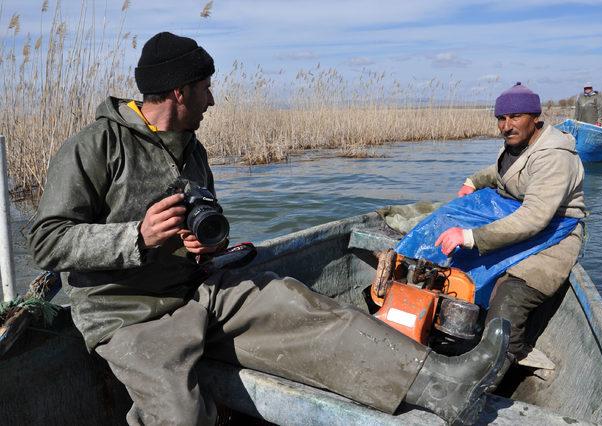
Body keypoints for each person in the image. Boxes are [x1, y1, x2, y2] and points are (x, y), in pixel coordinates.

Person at [28, 32, 509, 425]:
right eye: (206, 87)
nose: (212, 100)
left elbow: (212, 221)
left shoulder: (192, 149)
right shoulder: (95, 145)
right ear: (179, 90)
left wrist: (203, 242)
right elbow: (46, 240)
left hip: (196, 290)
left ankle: (444, 386)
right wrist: (137, 236)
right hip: (126, 315)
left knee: (301, 305)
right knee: (180, 415)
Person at [435, 82, 586, 378]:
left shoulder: (554, 156)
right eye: (501, 119)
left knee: (507, 300)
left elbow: (534, 219)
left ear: (534, 117)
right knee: (452, 269)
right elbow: (498, 172)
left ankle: (506, 360)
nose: (507, 126)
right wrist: (473, 180)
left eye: (515, 117)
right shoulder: (517, 146)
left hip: (556, 234)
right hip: (522, 225)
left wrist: (470, 237)